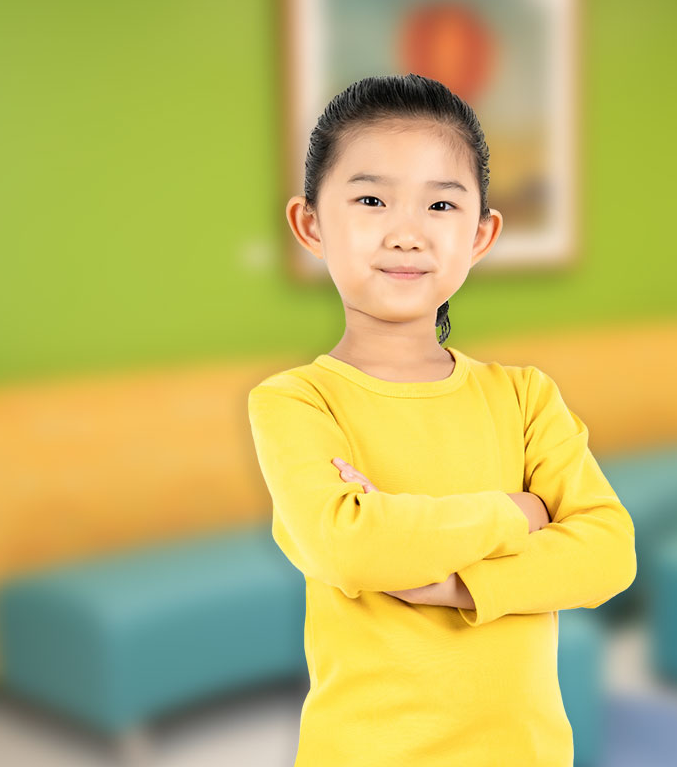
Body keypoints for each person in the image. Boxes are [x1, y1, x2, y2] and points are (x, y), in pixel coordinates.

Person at [246, 73, 636, 767]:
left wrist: (456, 583)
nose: (406, 234)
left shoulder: (524, 397)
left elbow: (609, 552)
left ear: (481, 234)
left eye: (440, 205)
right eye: (370, 199)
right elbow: (351, 548)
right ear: (311, 224)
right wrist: (516, 514)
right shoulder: (296, 402)